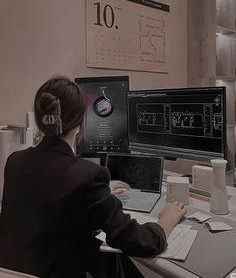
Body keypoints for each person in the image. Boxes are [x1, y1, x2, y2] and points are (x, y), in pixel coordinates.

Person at [0, 76, 186, 278]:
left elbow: (51, 213)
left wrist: (98, 195)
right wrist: (166, 221)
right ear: (82, 121)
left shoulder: (14, 161)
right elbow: (138, 242)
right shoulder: (87, 176)